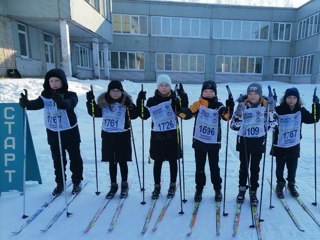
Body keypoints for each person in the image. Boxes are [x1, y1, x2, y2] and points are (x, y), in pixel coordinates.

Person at [19, 68, 83, 195]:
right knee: (58, 159)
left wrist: (61, 101)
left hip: (70, 132)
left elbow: (69, 104)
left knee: (75, 158)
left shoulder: (71, 94)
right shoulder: (45, 96)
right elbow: (36, 104)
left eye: (57, 80)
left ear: (63, 82)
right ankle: (60, 182)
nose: (54, 83)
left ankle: (77, 181)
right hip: (53, 132)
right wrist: (26, 103)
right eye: (51, 81)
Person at [178, 81, 234, 202]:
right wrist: (180, 100)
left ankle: (217, 189)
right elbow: (184, 115)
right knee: (200, 167)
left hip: (213, 143)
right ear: (202, 92)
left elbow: (226, 116)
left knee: (214, 167)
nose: (208, 94)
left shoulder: (218, 105)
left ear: (215, 93)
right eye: (206, 91)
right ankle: (199, 188)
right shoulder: (198, 105)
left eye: (211, 91)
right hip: (199, 142)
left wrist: (230, 107)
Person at [136, 74, 188, 199]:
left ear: (170, 87)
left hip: (172, 135)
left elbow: (184, 112)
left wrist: (182, 96)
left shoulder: (174, 98)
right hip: (157, 137)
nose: (164, 88)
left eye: (166, 85)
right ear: (158, 86)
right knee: (157, 162)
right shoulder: (152, 100)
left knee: (172, 161)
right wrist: (140, 101)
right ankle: (157, 186)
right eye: (161, 85)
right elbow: (144, 115)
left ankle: (172, 184)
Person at [86, 80, 138, 199]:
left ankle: (124, 185)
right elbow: (94, 113)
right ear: (109, 92)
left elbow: (134, 115)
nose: (115, 93)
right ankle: (113, 185)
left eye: (118, 91)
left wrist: (131, 105)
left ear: (121, 91)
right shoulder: (103, 102)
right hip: (108, 134)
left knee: (122, 160)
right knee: (112, 161)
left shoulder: (126, 102)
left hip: (122, 134)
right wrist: (90, 102)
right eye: (113, 91)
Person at [271, 87, 320, 198]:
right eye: (289, 97)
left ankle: (291, 184)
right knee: (280, 166)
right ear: (285, 98)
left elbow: (314, 118)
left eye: (294, 98)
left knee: (292, 166)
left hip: (294, 144)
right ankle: (280, 183)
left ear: (297, 99)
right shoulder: (279, 109)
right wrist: (271, 104)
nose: (291, 100)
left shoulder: (300, 111)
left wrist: (316, 105)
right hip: (280, 143)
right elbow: (270, 118)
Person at [230, 83, 269, 206]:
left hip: (258, 140)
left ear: (260, 95)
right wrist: (238, 112)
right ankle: (242, 189)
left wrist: (272, 110)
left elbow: (273, 124)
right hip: (245, 141)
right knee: (244, 167)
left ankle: (253, 191)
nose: (252, 96)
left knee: (255, 168)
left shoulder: (266, 106)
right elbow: (233, 126)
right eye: (250, 93)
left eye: (255, 94)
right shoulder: (243, 105)